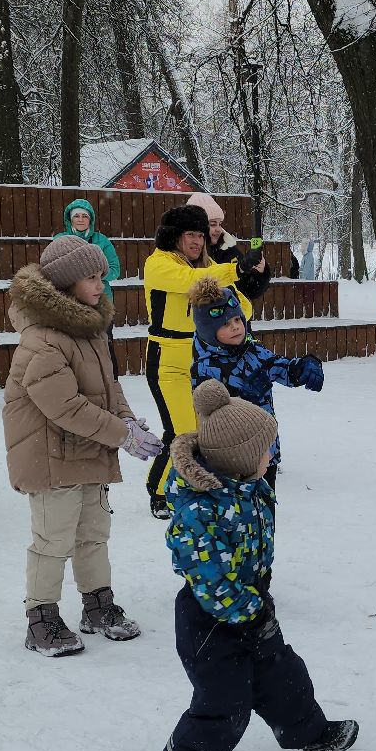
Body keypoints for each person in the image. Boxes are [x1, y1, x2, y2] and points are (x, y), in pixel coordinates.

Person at [160, 379, 359, 751]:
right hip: (209, 619)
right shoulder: (199, 509)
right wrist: (245, 609)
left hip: (251, 603)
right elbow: (207, 577)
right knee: (224, 699)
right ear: (240, 459)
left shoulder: (249, 486)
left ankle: (309, 732)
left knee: (283, 675)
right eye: (267, 449)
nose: (272, 456)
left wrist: (256, 604)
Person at [2, 235, 165, 657]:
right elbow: (65, 406)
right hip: (50, 457)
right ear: (65, 283)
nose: (99, 285)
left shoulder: (89, 328)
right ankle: (41, 618)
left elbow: (108, 386)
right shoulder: (41, 339)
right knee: (53, 539)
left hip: (88, 450)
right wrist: (121, 435)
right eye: (91, 278)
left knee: (94, 534)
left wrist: (127, 419)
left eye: (102, 277)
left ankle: (98, 605)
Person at [142, 203, 268, 519]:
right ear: (174, 237)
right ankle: (159, 490)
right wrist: (234, 270)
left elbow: (244, 310)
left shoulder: (210, 266)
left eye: (201, 234)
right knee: (181, 429)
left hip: (201, 358)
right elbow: (191, 280)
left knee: (204, 429)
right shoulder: (158, 264)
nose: (197, 241)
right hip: (166, 359)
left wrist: (243, 288)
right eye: (190, 235)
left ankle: (191, 487)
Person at [187, 277, 323, 491]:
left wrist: (304, 366)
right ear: (207, 331)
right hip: (231, 459)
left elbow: (280, 367)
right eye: (225, 324)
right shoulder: (205, 367)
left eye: (237, 321)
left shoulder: (254, 351)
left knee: (265, 512)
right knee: (241, 518)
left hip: (265, 451)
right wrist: (243, 396)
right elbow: (208, 409)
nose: (235, 328)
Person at [56, 198, 120, 283]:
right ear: (70, 220)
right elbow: (54, 270)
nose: (80, 220)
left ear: (90, 220)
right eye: (76, 216)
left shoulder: (101, 240)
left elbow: (115, 270)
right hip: (70, 293)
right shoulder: (60, 240)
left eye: (85, 216)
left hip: (99, 292)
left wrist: (95, 273)